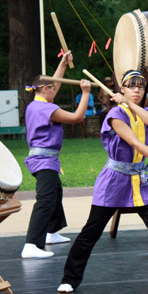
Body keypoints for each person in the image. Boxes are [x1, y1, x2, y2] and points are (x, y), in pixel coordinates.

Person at [57, 70, 148, 294]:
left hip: (139, 181)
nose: (137, 90)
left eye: (141, 87)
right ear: (121, 89)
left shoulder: (147, 111)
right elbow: (134, 143)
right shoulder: (115, 114)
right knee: (91, 232)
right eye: (131, 86)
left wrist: (131, 104)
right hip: (114, 181)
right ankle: (69, 279)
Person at [21, 51, 91, 259]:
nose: (56, 91)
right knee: (45, 200)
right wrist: (86, 92)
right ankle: (31, 244)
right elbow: (77, 117)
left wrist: (61, 63)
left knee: (55, 193)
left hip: (45, 159)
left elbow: (55, 84)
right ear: (45, 89)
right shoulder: (47, 109)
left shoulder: (36, 104)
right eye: (52, 89)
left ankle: (52, 232)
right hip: (43, 161)